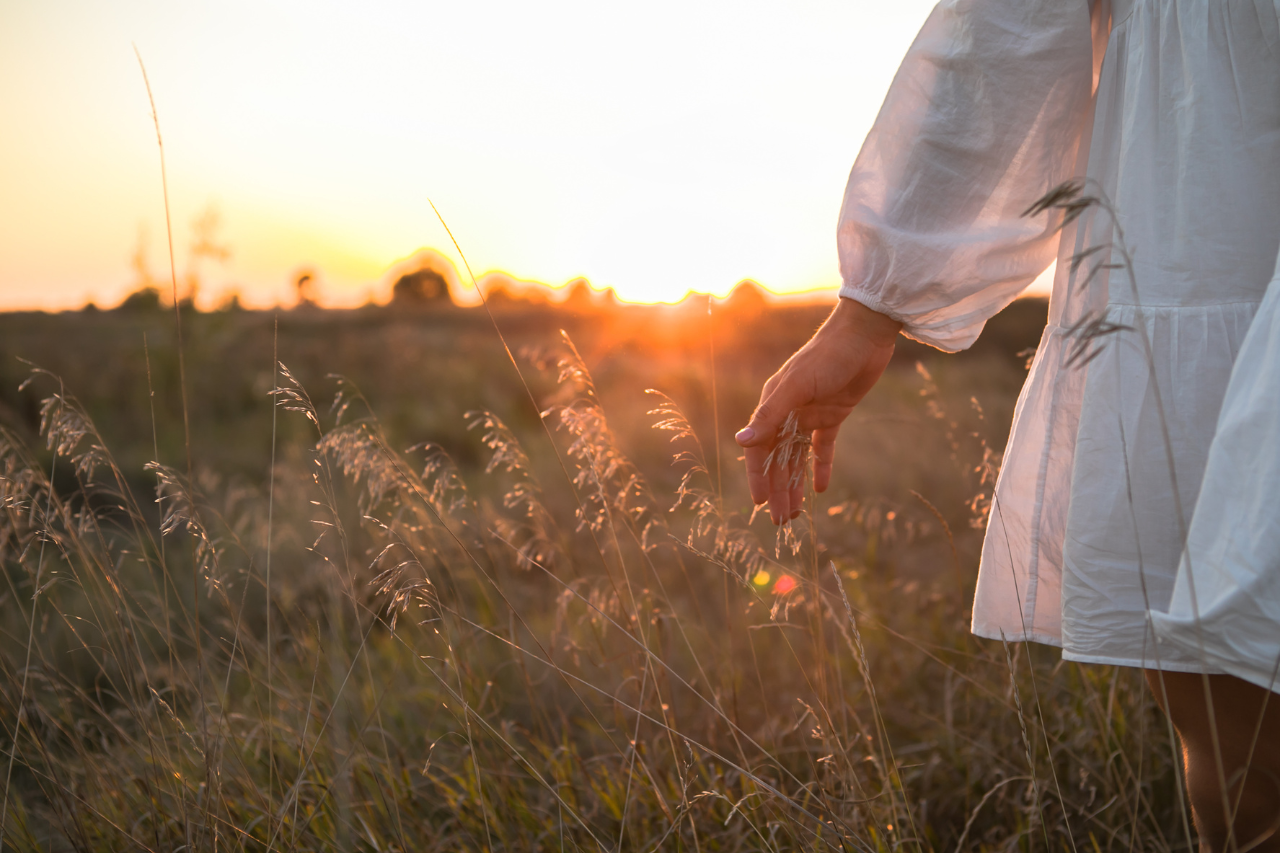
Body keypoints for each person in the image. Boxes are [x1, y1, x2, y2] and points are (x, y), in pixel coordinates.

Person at [734, 0, 1280, 848]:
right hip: (1212, 214)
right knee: (1239, 737)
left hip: (1206, 221)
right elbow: (1014, 22)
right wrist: (870, 309)